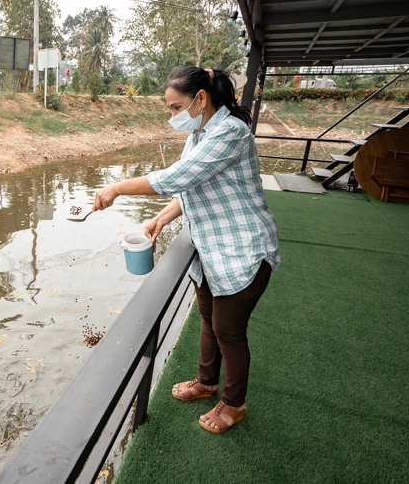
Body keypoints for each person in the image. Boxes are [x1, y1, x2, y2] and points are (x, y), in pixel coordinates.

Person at [92, 66, 280, 433]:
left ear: (201, 99)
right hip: (210, 250)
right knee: (208, 320)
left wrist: (117, 187)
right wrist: (164, 216)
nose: (172, 116)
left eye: (176, 107)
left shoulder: (230, 132)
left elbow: (176, 177)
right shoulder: (198, 133)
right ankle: (207, 382)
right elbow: (192, 183)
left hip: (242, 250)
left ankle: (234, 403)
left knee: (229, 331)